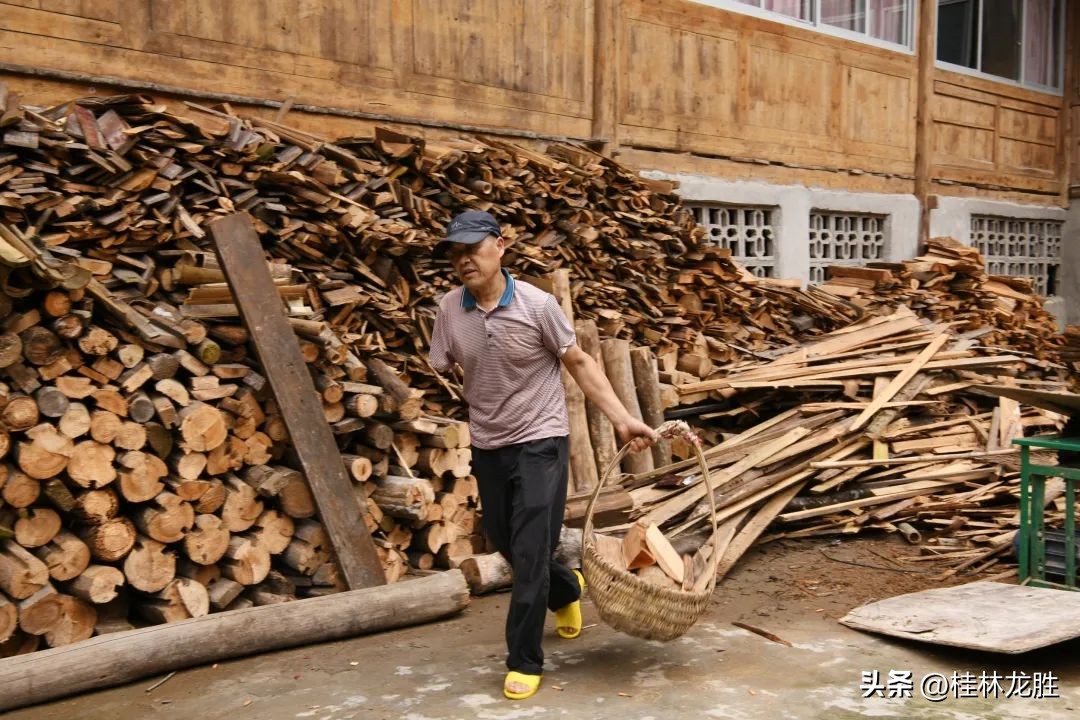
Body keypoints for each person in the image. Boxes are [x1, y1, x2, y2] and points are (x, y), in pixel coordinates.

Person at [428, 210, 658, 701]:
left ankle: (524, 659)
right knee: (506, 541)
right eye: (456, 251)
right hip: (489, 441)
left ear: (500, 246)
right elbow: (442, 363)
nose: (464, 259)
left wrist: (621, 418)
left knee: (531, 549)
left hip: (541, 439)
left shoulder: (537, 305)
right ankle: (567, 589)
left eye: (474, 247)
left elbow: (578, 361)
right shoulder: (450, 309)